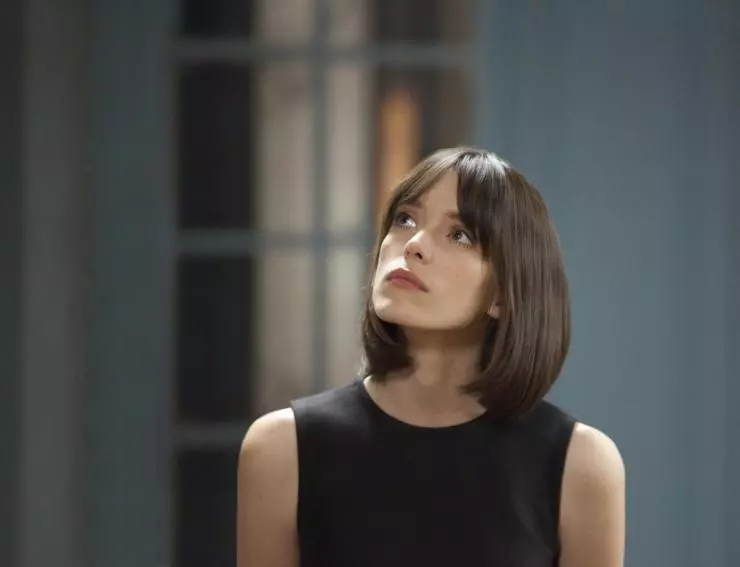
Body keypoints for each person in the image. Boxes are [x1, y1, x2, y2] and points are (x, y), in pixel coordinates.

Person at [237, 147, 625, 567]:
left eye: (459, 235)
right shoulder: (281, 450)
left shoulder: (580, 466)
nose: (414, 244)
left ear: (504, 295)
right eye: (405, 219)